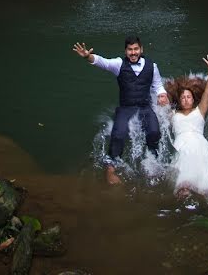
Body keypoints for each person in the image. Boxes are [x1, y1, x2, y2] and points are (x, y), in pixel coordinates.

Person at [72, 36, 169, 185]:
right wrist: (88, 56)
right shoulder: (118, 64)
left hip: (145, 107)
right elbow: (102, 62)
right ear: (125, 51)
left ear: (141, 49)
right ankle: (110, 167)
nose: (133, 52)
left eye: (136, 49)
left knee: (154, 132)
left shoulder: (152, 66)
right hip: (126, 107)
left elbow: (157, 85)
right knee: (118, 135)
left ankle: (153, 162)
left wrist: (162, 94)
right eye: (130, 49)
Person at [164, 54, 208, 198]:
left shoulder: (200, 110)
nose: (186, 100)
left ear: (193, 99)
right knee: (182, 181)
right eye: (183, 97)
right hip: (181, 145)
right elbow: (160, 107)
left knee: (204, 184)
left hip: (200, 144)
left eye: (189, 97)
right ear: (179, 101)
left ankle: (206, 190)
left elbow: (207, 92)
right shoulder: (173, 114)